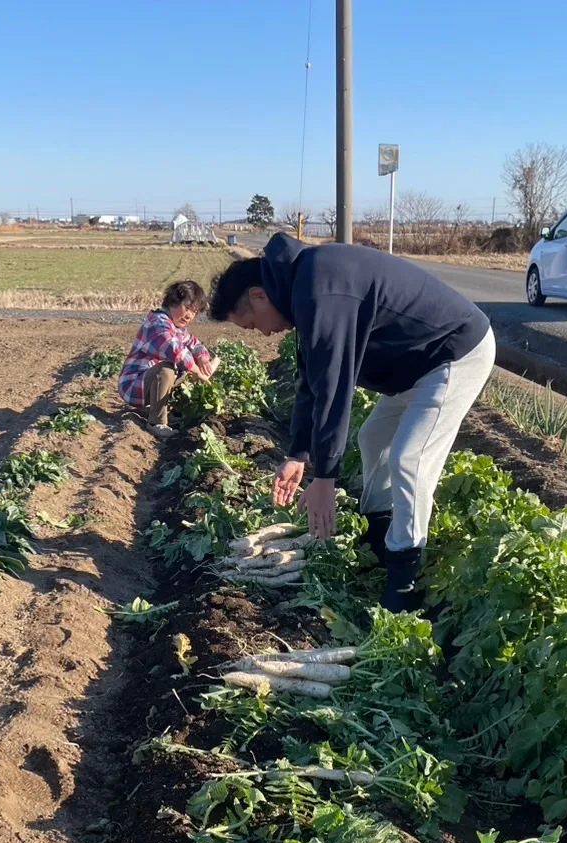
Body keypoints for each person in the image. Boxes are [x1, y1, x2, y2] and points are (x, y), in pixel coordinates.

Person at [208, 234, 496, 611]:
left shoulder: (320, 290)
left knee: (409, 459)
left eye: (251, 325)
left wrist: (325, 479)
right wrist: (298, 454)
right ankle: (379, 533)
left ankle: (404, 581)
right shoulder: (304, 286)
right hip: (415, 365)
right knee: (373, 437)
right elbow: (311, 380)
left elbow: (334, 387)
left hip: (453, 352)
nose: (262, 333)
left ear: (259, 296)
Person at [118, 280, 219, 439]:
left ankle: (171, 411)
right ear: (173, 301)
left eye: (194, 312)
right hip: (134, 385)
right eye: (187, 308)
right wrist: (197, 371)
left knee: (184, 369)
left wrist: (202, 358)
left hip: (148, 384)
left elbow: (195, 344)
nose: (189, 315)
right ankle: (156, 422)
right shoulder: (157, 322)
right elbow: (174, 350)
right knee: (167, 369)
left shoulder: (178, 328)